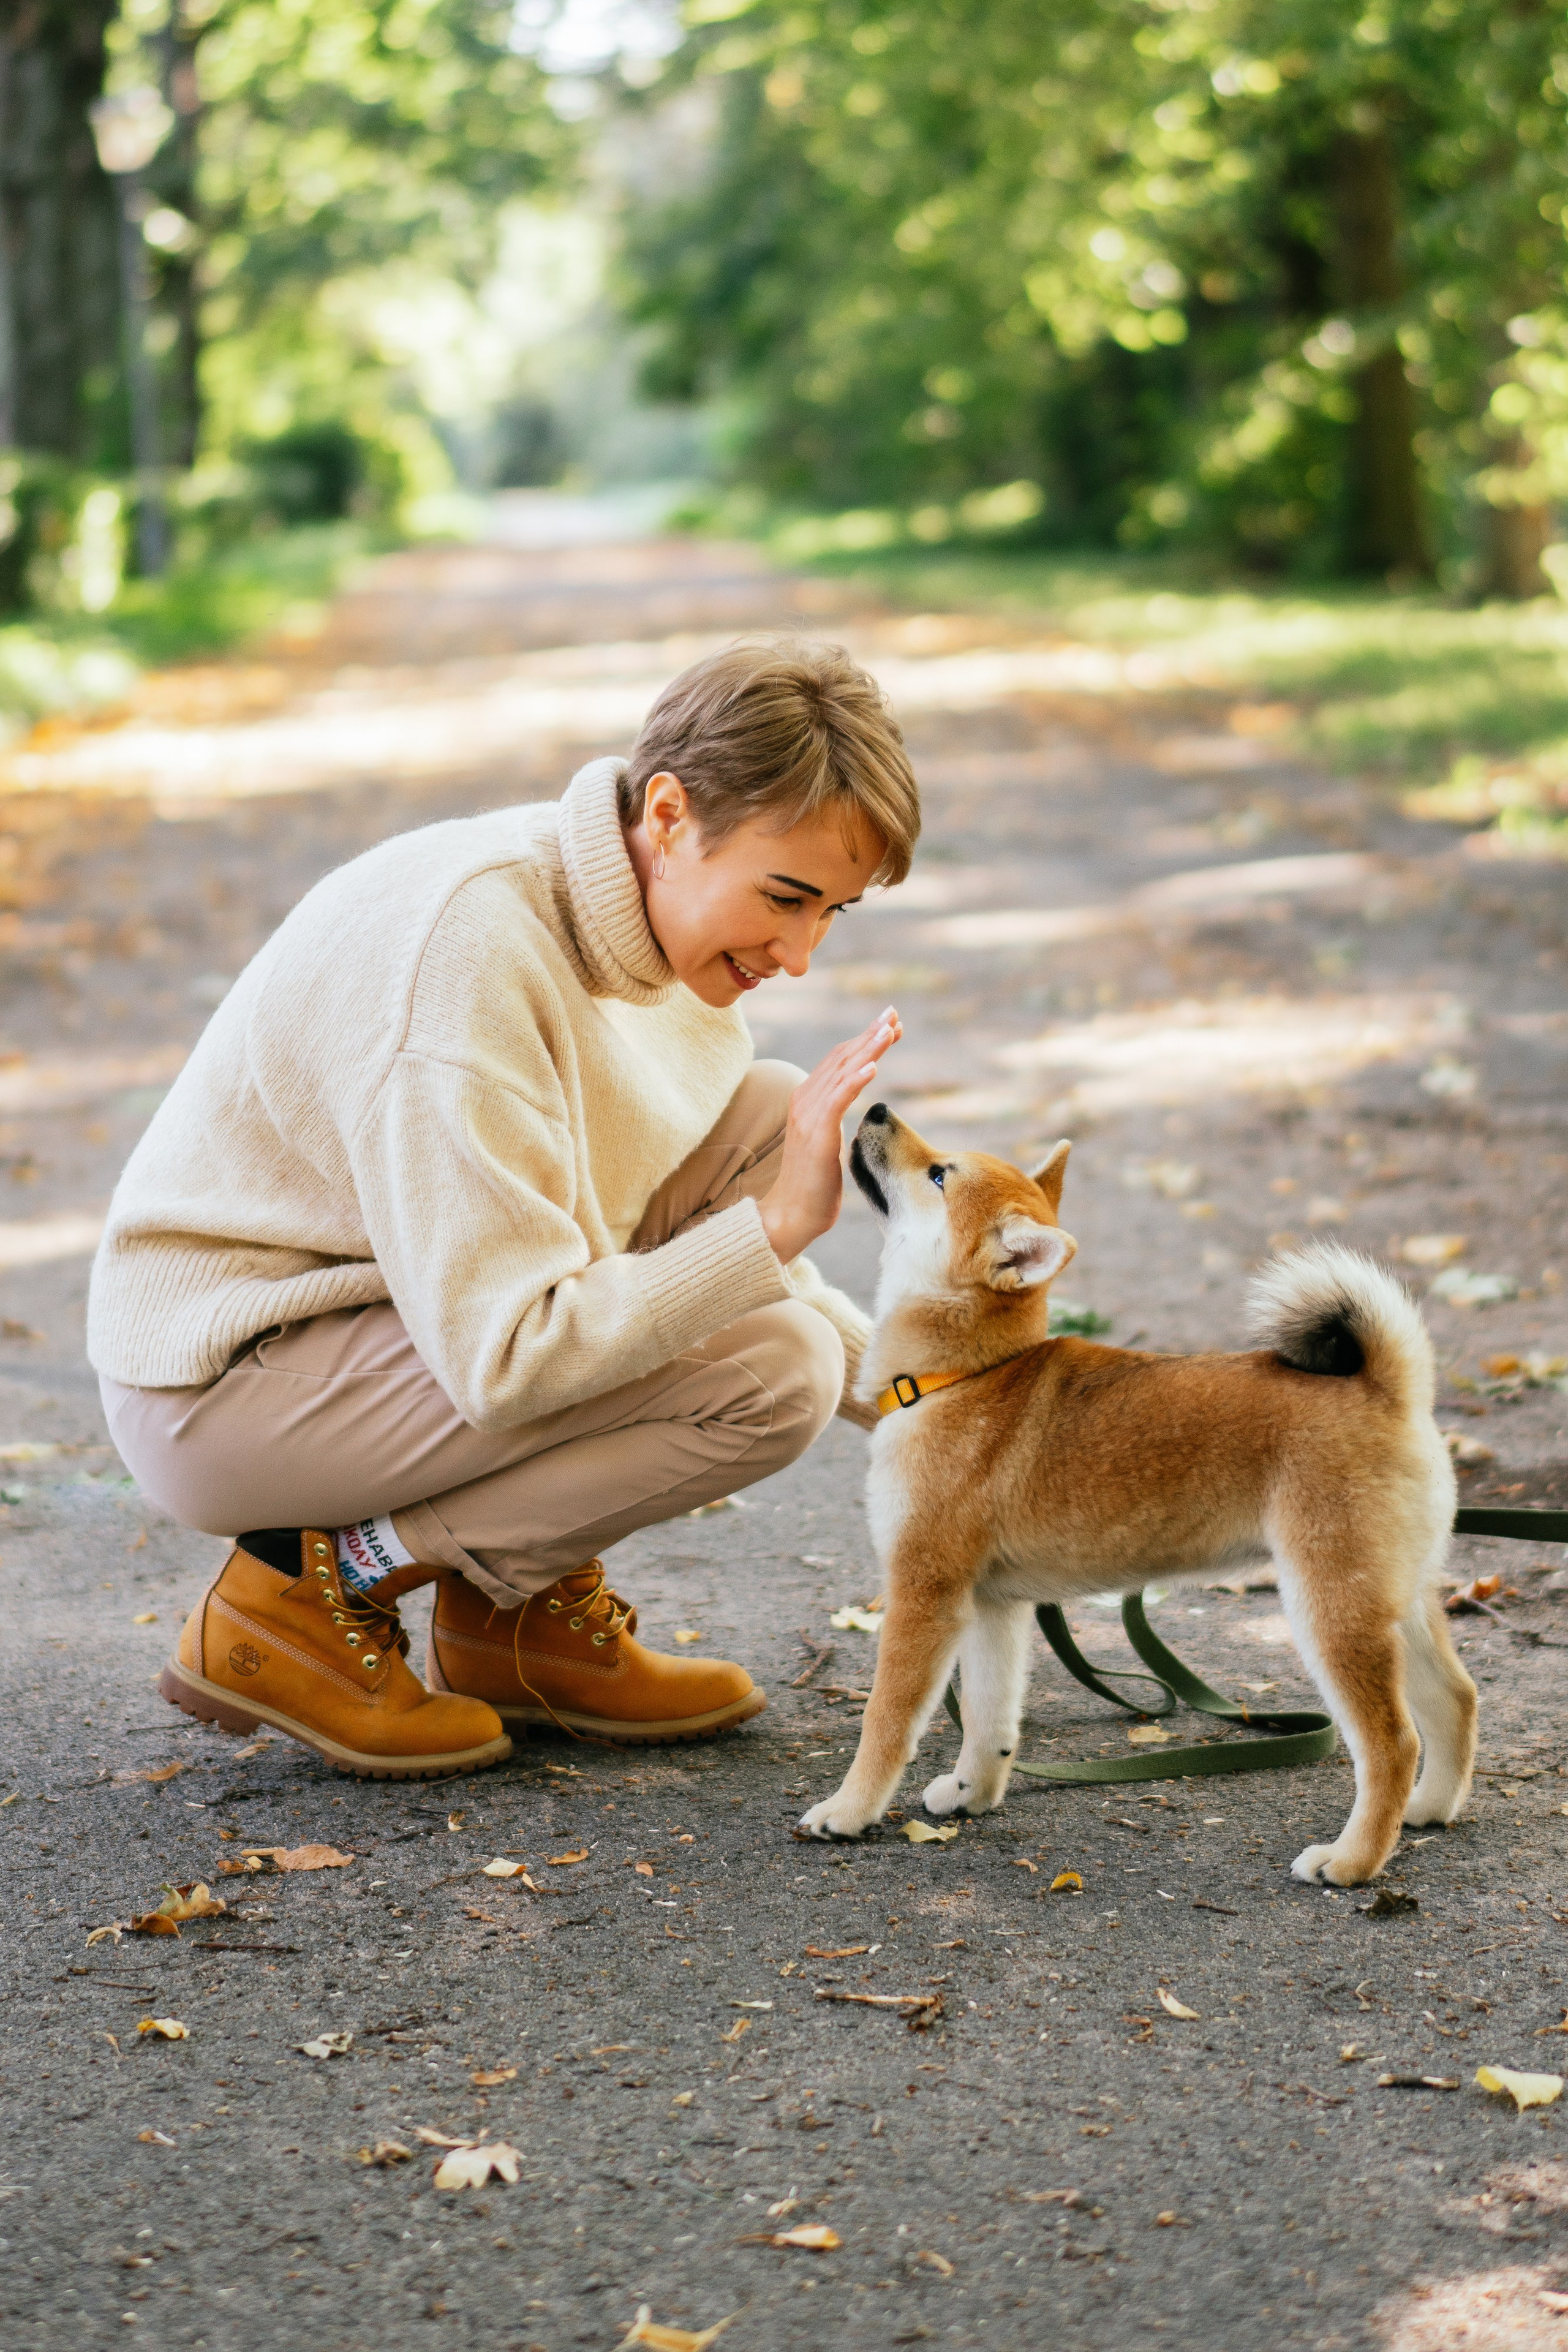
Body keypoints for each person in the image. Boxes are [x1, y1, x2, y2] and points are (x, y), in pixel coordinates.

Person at [88, 636, 919, 1780]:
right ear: (669, 815)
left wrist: (947, 1402)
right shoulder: (470, 953)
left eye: (834, 912)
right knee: (771, 1374)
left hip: (391, 1320)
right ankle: (300, 1596)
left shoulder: (642, 923)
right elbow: (515, 1354)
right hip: (233, 1376)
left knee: (773, 1119)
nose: (801, 954)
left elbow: (622, 1236)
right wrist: (773, 1238)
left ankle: (508, 1621)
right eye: (785, 899)